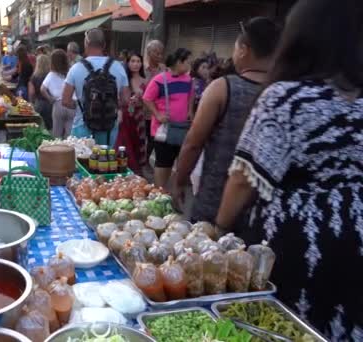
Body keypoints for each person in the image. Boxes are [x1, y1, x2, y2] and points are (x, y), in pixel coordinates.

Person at [216, 0, 363, 339]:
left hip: (298, 245)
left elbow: (243, 179)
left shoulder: (288, 98)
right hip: (355, 243)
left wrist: (220, 228)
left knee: (287, 326)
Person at [171, 17, 281, 222]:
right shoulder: (286, 95)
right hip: (264, 213)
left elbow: (193, 142)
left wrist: (179, 181)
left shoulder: (222, 88)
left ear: (243, 50)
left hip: (215, 202)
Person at [62, 28, 129, 146]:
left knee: (81, 162)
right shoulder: (118, 67)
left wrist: (83, 105)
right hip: (109, 128)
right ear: (104, 45)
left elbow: (65, 101)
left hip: (82, 126)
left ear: (86, 44)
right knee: (104, 162)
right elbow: (125, 100)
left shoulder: (76, 68)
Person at [143, 48, 194, 188]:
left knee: (177, 163)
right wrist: (158, 114)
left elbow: (191, 96)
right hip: (163, 130)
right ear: (179, 62)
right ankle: (159, 192)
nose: (190, 65)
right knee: (163, 163)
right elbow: (147, 98)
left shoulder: (188, 80)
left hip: (182, 128)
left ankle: (172, 194)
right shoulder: (160, 80)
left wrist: (190, 111)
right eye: (188, 62)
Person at [115, 52, 147, 174]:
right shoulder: (124, 80)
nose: (135, 64)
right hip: (126, 115)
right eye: (132, 61)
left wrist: (141, 99)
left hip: (139, 116)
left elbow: (150, 100)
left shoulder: (146, 80)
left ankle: (137, 170)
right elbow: (119, 98)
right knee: (124, 143)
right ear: (127, 63)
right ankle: (124, 169)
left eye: (138, 61)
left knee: (138, 142)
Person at [42, 49, 75, 139]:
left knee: (56, 134)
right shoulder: (71, 72)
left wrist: (50, 99)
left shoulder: (51, 74)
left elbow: (42, 89)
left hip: (58, 104)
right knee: (70, 135)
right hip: (71, 104)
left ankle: (56, 151)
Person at [28, 54, 53, 130]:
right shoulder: (51, 76)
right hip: (50, 103)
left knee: (38, 128)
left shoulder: (34, 77)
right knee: (50, 127)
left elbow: (32, 92)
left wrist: (31, 102)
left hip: (39, 103)